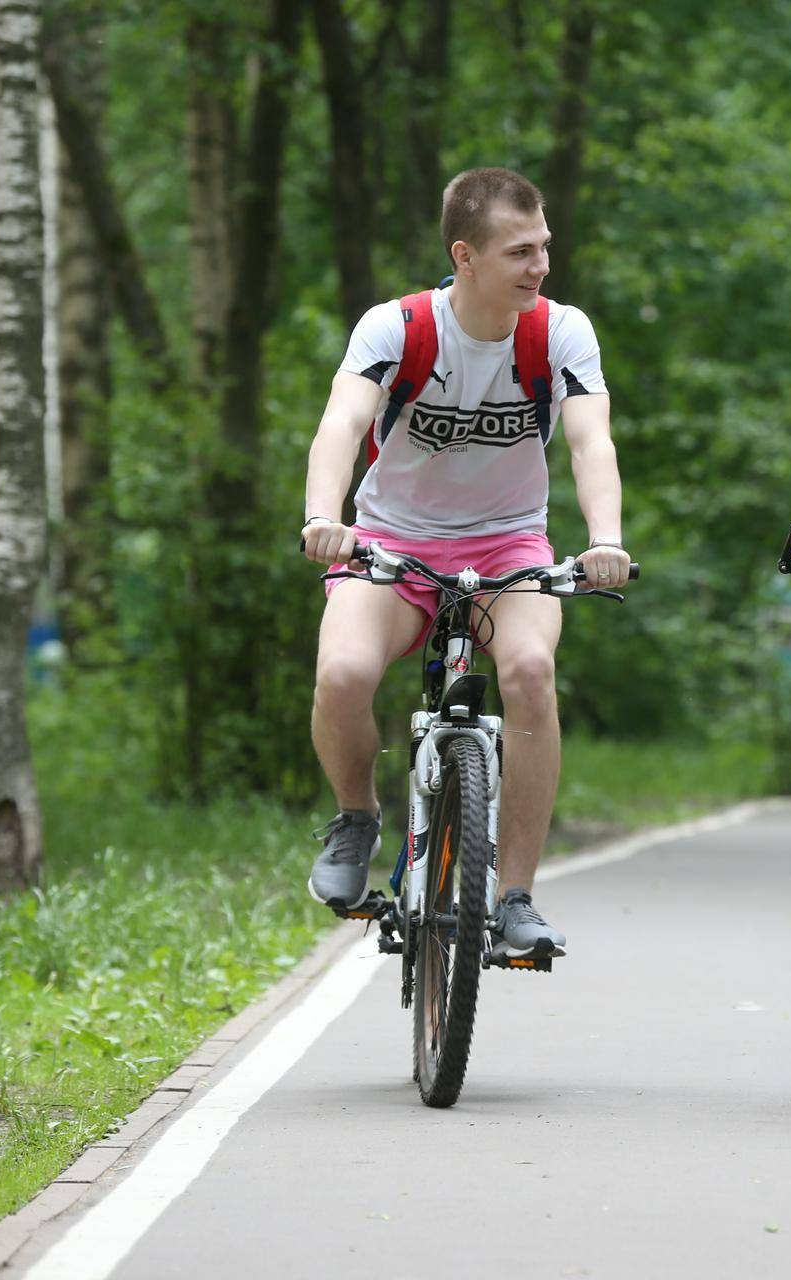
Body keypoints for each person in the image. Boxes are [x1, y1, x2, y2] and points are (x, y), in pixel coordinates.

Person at [297, 167, 630, 962]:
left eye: (544, 246)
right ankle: (357, 818)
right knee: (343, 674)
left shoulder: (560, 332)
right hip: (393, 543)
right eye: (520, 251)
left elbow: (592, 441)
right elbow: (341, 426)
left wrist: (606, 537)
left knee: (528, 672)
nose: (541, 264)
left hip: (510, 543)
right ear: (466, 255)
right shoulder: (397, 326)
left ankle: (514, 896)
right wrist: (322, 517)